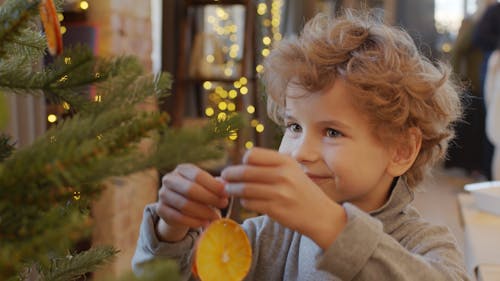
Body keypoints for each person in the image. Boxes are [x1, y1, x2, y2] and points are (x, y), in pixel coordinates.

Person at [133, 10, 470, 280]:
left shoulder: (424, 244)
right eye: (294, 126)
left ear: (401, 150)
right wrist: (170, 231)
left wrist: (331, 226)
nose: (299, 153)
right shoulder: (269, 236)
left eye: (332, 132)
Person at [445, 0, 497, 177]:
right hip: (474, 81)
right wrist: (458, 79)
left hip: (479, 78)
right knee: (476, 125)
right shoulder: (474, 22)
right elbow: (459, 50)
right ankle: (474, 167)